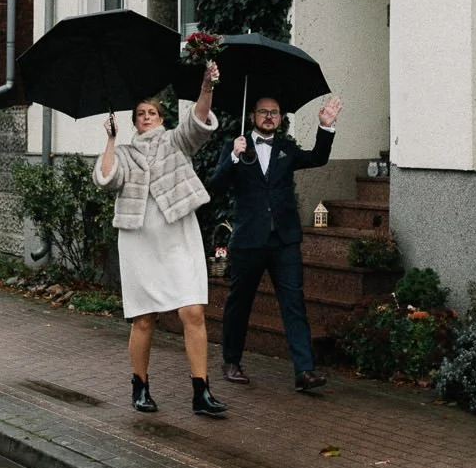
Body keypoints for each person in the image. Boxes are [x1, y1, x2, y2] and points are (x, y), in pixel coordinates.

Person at [94, 63, 227, 418]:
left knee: (193, 310)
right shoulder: (124, 152)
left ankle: (201, 391)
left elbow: (198, 123)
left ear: (161, 116)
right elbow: (107, 179)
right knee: (144, 319)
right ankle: (140, 385)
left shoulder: (175, 141)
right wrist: (110, 139)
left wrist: (206, 86)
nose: (147, 117)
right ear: (134, 121)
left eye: (152, 112)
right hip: (139, 242)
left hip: (179, 236)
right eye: (140, 113)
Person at [210, 94, 342, 392]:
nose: (269, 117)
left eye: (275, 112)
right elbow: (215, 186)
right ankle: (231, 361)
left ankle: (304, 371)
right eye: (263, 112)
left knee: (294, 303)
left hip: (284, 240)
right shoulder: (237, 147)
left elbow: (317, 158)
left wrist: (326, 127)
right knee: (239, 303)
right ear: (253, 116)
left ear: (281, 118)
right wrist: (233, 157)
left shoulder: (286, 149)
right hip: (249, 240)